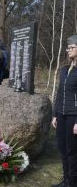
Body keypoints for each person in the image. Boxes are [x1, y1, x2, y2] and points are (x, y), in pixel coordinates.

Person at [51, 35, 77, 187]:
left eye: (72, 47)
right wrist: (55, 114)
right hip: (61, 115)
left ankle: (73, 182)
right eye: (68, 48)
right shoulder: (65, 69)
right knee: (61, 147)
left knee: (72, 151)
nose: (68, 50)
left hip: (74, 116)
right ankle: (66, 179)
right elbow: (59, 93)